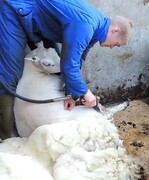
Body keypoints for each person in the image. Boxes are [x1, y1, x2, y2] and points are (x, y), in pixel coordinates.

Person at [0, 0, 133, 139]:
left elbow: (78, 60)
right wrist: (85, 92)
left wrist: (72, 94)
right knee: (10, 73)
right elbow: (69, 64)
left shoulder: (96, 27)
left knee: (57, 63)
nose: (112, 47)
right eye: (117, 44)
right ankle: (6, 133)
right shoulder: (86, 25)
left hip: (37, 16)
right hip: (16, 10)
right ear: (116, 30)